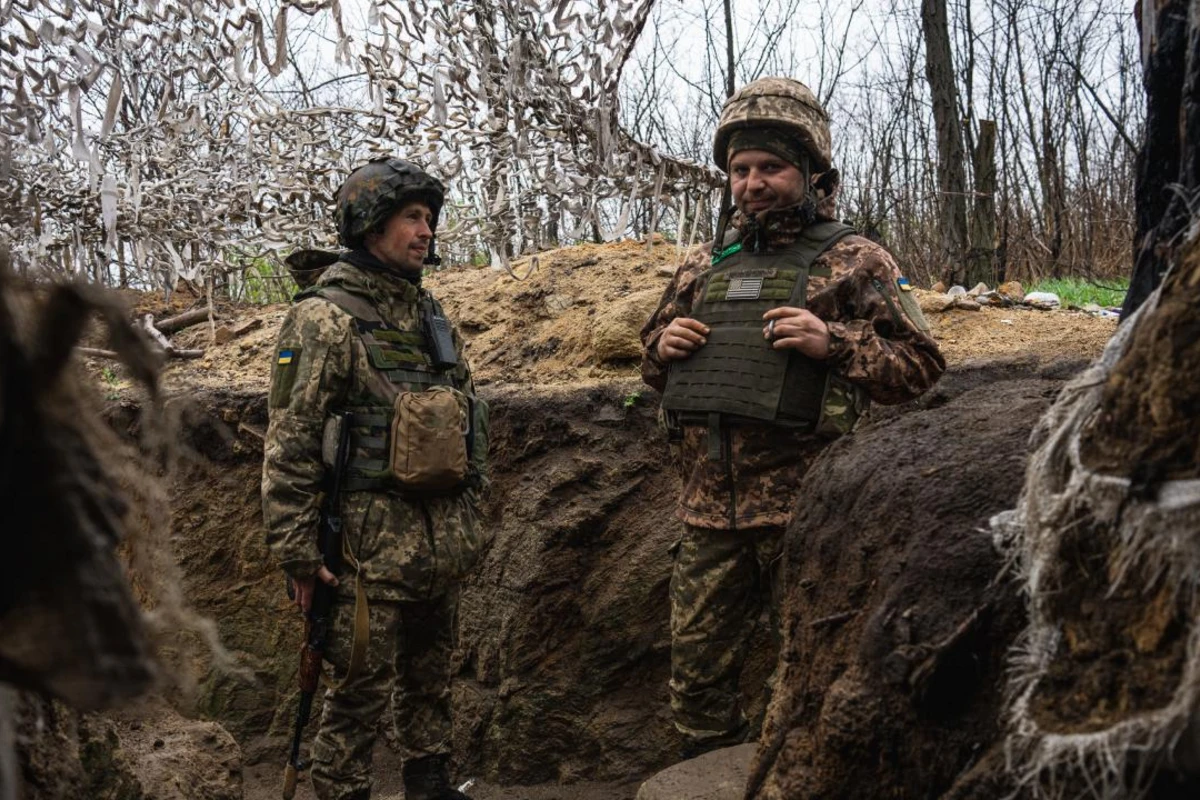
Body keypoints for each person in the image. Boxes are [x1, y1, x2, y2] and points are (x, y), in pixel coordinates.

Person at [639, 77, 946, 758]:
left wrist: (831, 342)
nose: (752, 183)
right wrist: (662, 347)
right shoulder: (700, 266)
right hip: (706, 518)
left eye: (770, 168)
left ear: (812, 172)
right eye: (740, 170)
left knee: (813, 679)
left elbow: (922, 367)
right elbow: (652, 367)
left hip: (809, 520)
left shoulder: (856, 260)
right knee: (695, 689)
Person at [262, 157, 487, 800]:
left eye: (430, 219)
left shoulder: (429, 314)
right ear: (370, 225)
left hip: (438, 541)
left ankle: (430, 782)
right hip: (364, 548)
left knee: (430, 676)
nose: (426, 232)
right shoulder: (323, 316)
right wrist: (300, 555)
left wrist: (471, 514)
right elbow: (291, 442)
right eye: (412, 218)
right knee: (358, 688)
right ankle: (340, 789)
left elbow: (471, 420)